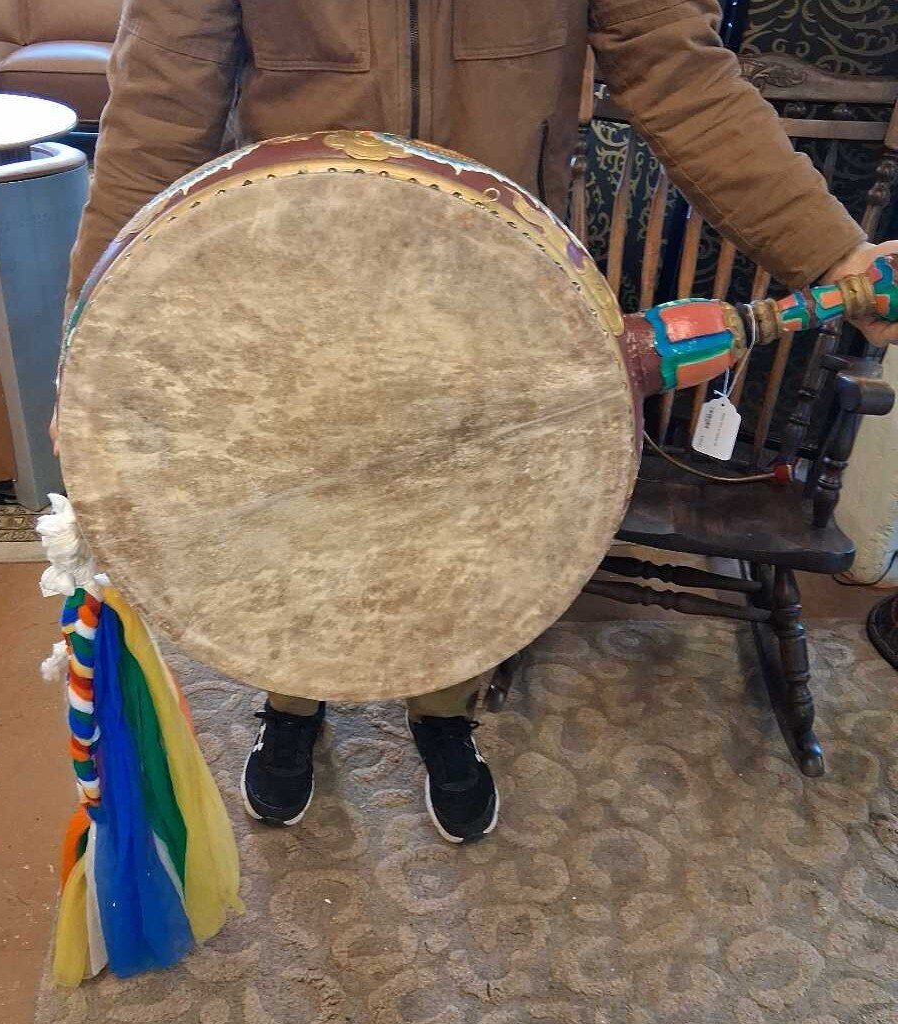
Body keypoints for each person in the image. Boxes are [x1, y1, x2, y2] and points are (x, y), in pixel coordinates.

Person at [53, 0, 898, 844]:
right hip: (290, 268)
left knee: (467, 534)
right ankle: (292, 699)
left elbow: (679, 69)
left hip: (498, 281)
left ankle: (445, 711)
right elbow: (162, 102)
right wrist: (87, 356)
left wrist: (832, 253)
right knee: (296, 510)